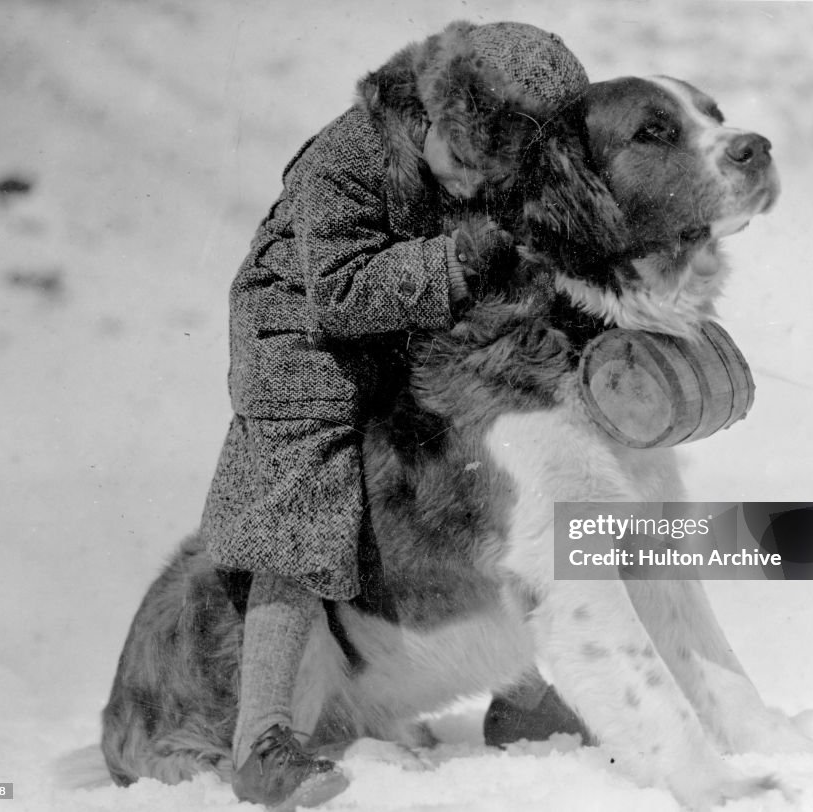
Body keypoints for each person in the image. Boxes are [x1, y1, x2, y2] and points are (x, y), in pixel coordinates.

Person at [199, 20, 611, 807]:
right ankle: (263, 737)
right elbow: (340, 291)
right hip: (300, 342)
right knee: (301, 513)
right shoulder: (343, 160)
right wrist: (461, 258)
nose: (472, 185)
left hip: (404, 329)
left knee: (467, 483)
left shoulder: (464, 158)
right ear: (430, 116)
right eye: (465, 160)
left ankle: (523, 696)